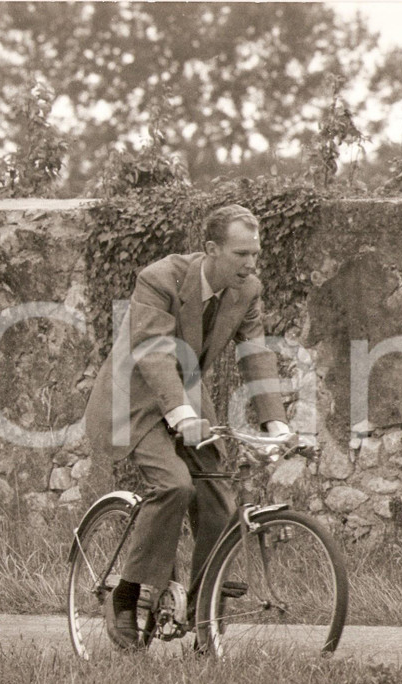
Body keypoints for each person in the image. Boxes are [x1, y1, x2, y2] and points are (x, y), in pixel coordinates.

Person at [83, 204, 291, 650]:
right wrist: (181, 415)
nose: (251, 264)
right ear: (211, 249)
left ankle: (204, 611)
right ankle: (127, 594)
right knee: (175, 486)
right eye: (241, 254)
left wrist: (275, 422)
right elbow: (155, 352)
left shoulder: (246, 290)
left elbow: (254, 354)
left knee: (219, 497)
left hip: (187, 398)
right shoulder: (161, 278)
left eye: (255, 254)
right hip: (132, 400)